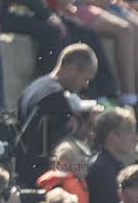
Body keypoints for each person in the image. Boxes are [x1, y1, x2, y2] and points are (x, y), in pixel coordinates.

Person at [16, 44, 99, 183]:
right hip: (40, 179)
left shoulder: (36, 86)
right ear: (71, 70)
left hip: (23, 172)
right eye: (85, 79)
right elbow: (58, 150)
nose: (85, 86)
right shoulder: (55, 99)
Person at [86, 106, 138, 203]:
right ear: (113, 136)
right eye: (129, 133)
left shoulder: (111, 165)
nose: (135, 138)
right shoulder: (102, 170)